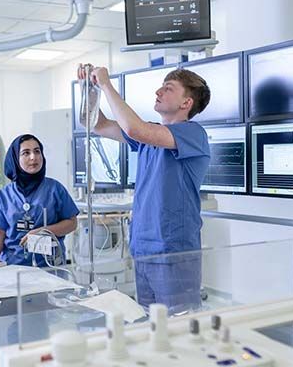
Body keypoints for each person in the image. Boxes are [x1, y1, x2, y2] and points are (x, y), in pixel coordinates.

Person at [77, 65, 211, 312]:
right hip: (143, 248)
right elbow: (94, 123)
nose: (159, 91)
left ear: (186, 103)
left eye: (168, 88)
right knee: (151, 326)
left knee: (177, 327)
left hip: (173, 251)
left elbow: (133, 129)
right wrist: (90, 88)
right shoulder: (150, 138)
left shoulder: (193, 134)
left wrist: (107, 84)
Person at [0, 134, 79, 267]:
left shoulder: (55, 189)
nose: (33, 157)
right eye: (26, 153)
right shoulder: (4, 195)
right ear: (16, 158)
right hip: (13, 266)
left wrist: (44, 231)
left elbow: (72, 223)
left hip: (49, 267)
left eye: (37, 151)